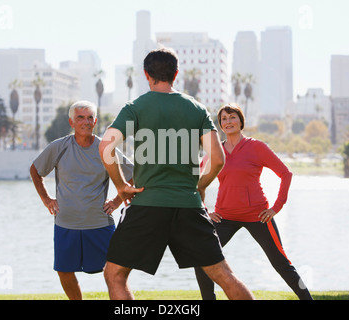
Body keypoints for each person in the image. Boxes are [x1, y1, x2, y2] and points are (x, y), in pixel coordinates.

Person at [99, 48, 255, 300]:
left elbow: (106, 148)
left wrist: (120, 186)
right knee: (224, 275)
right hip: (189, 205)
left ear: (147, 75)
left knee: (115, 274)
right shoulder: (196, 109)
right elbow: (217, 160)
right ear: (176, 74)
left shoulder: (135, 107)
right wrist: (201, 185)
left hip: (147, 204)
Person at [194, 103, 313, 300]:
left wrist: (276, 207)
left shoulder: (257, 147)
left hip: (258, 216)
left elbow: (285, 173)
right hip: (225, 216)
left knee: (281, 264)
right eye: (224, 118)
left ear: (241, 121)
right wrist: (206, 210)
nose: (228, 121)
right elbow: (195, 181)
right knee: (202, 257)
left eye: (233, 117)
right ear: (220, 125)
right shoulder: (216, 152)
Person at [30, 100, 133, 300]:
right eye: (80, 117)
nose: (85, 122)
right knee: (64, 272)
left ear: (95, 122)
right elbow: (35, 170)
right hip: (65, 224)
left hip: (99, 223)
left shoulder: (106, 149)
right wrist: (46, 199)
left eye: (89, 118)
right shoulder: (58, 147)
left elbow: (131, 175)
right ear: (72, 122)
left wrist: (117, 201)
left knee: (115, 273)